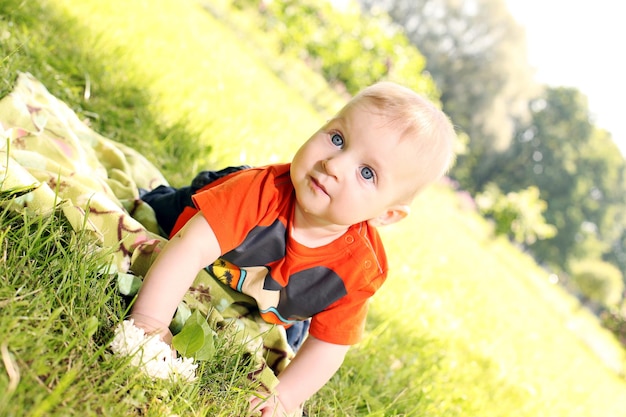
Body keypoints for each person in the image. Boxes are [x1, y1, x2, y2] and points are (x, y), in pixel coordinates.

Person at [130, 81, 456, 416]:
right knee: (157, 212)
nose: (334, 164)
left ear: (387, 214)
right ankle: (162, 195)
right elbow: (189, 249)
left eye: (367, 173)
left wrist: (282, 397)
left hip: (279, 293)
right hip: (213, 218)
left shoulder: (359, 269)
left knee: (292, 332)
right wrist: (150, 322)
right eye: (338, 138)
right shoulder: (259, 192)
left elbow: (330, 343)